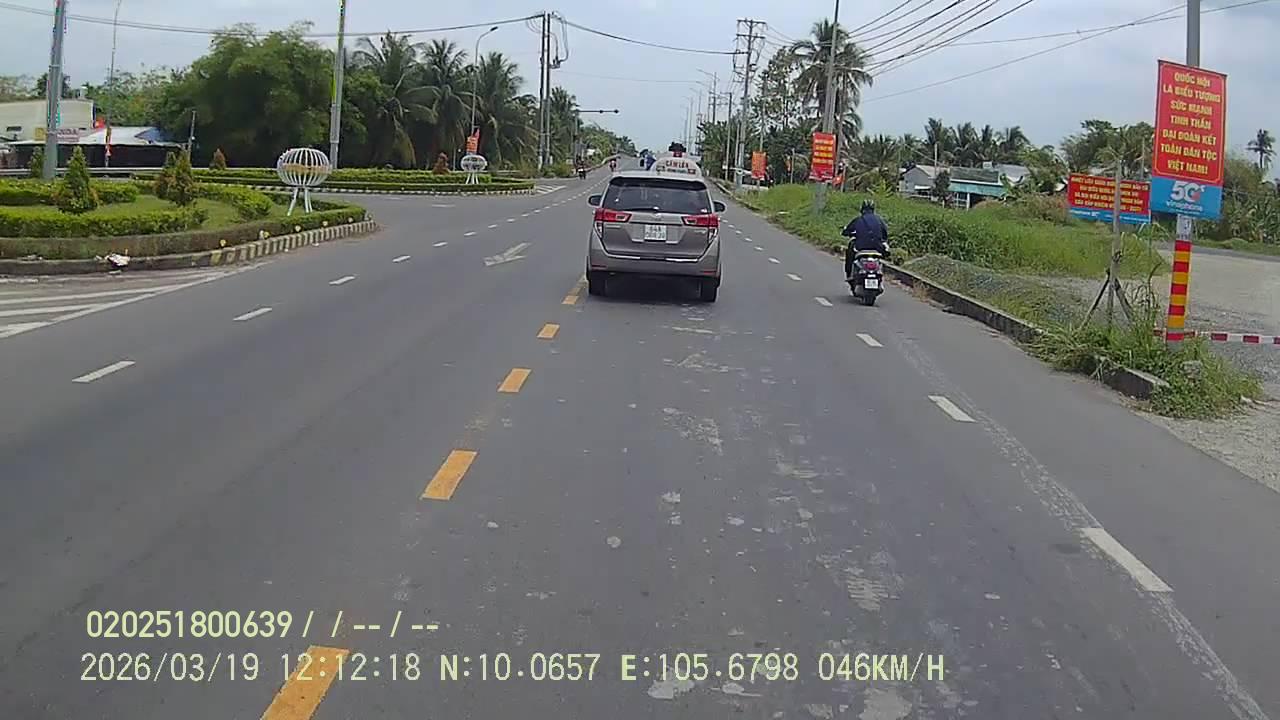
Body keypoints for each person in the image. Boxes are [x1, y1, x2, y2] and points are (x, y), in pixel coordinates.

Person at [842, 199, 890, 279]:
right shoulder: (879, 220)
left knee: (850, 250)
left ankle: (849, 273)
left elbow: (846, 231)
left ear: (862, 209)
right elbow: (885, 234)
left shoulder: (858, 220)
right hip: (877, 247)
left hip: (861, 247)